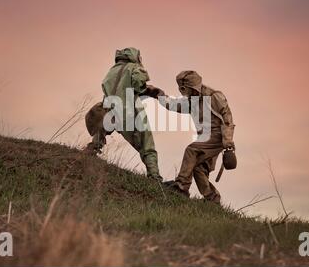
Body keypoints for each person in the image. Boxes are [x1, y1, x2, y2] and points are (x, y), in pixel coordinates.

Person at [85, 47, 163, 181]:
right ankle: (154, 177)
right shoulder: (135, 67)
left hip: (109, 108)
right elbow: (138, 84)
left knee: (102, 130)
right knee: (146, 144)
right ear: (135, 56)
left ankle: (91, 149)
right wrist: (150, 90)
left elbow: (105, 86)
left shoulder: (112, 70)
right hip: (130, 111)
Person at [158, 71, 235, 203]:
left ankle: (181, 186)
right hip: (204, 138)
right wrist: (159, 96)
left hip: (217, 136)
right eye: (182, 89)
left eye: (186, 89)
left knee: (191, 150)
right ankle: (212, 199)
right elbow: (173, 105)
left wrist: (228, 145)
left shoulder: (214, 96)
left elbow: (227, 118)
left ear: (194, 86)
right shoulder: (191, 101)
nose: (184, 92)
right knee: (198, 168)